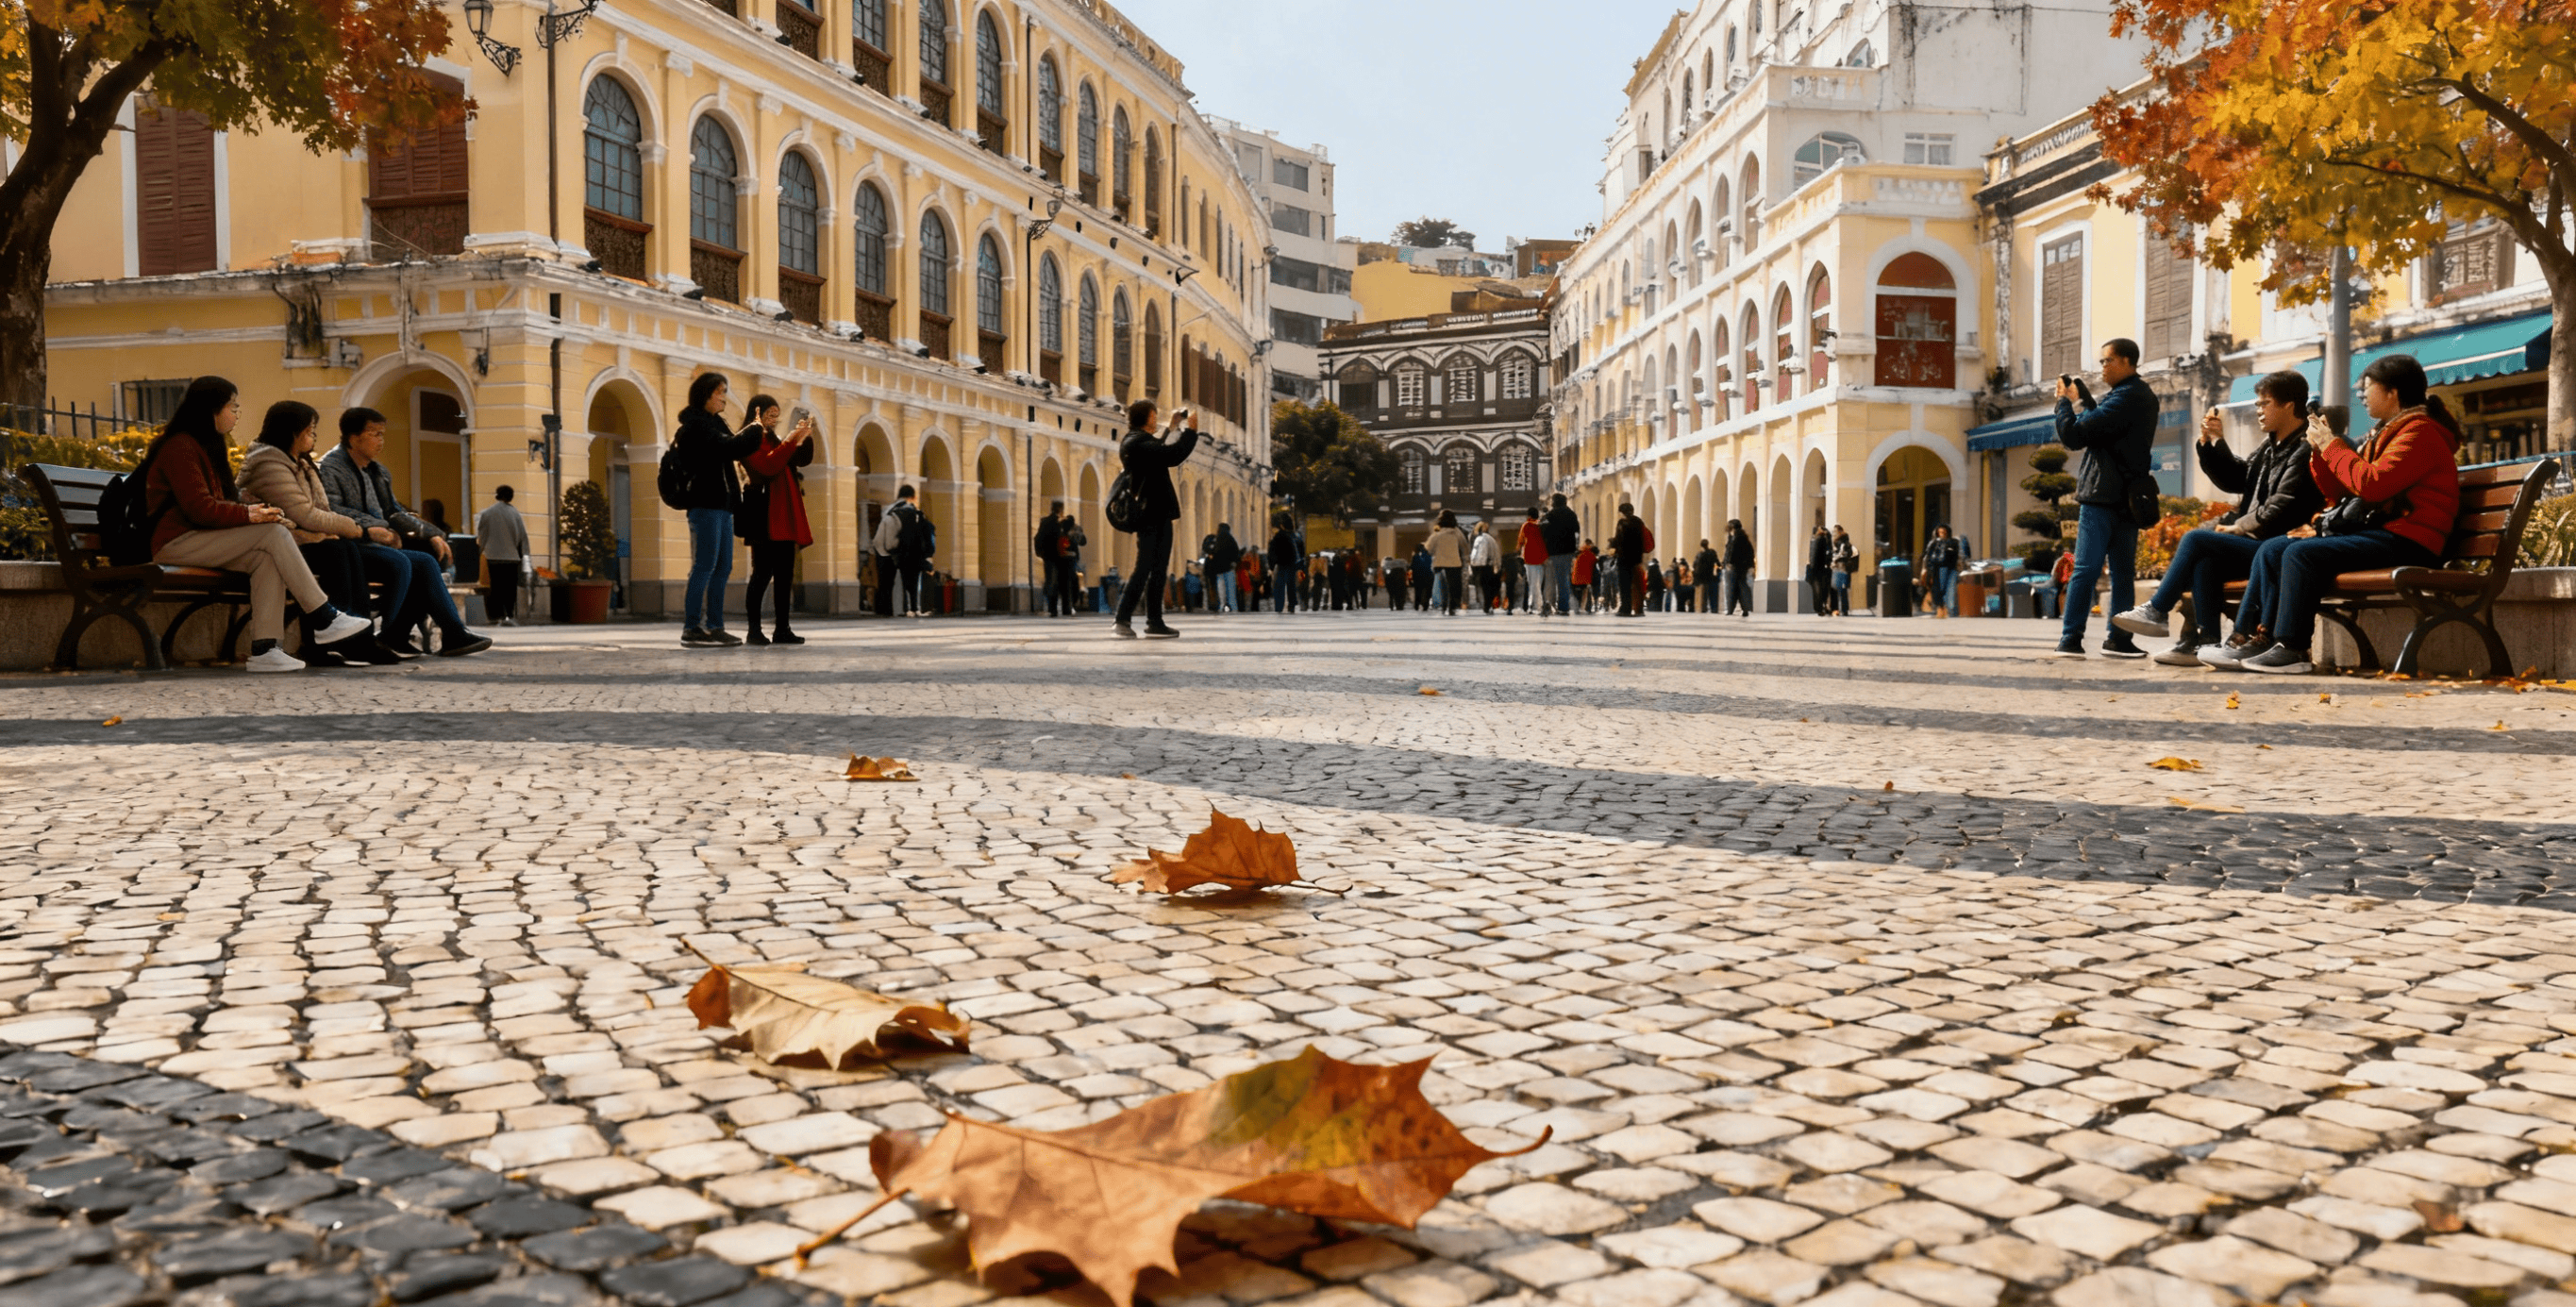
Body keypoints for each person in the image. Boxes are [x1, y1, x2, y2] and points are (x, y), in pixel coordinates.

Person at [2206, 354, 2462, 675]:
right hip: (2385, 533)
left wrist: (2331, 446)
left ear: (2392, 392)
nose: (2362, 396)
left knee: (2301, 554)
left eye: (2367, 389)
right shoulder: (2387, 432)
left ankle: (2293, 647)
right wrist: (2320, 452)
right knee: (2272, 549)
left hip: (2411, 539)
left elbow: (2373, 485)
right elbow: (2342, 494)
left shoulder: (2420, 432)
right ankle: (2248, 639)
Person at [142, 377, 375, 671]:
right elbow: (200, 509)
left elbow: (219, 505)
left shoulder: (206, 446)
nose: (236, 415)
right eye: (232, 407)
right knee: (273, 533)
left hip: (200, 539)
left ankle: (265, 649)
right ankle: (323, 616)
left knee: (264, 559)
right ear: (211, 409)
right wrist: (251, 515)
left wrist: (256, 512)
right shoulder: (180, 447)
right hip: (174, 543)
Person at [2112, 371, 2325, 664]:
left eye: (2265, 404)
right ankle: (2204, 643)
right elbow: (2240, 478)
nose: (2259, 410)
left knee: (2196, 538)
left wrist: (2238, 527)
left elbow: (2283, 506)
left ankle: (2158, 609)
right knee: (2206, 561)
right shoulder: (2271, 446)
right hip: (2258, 542)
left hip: (2277, 545)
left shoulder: (2304, 449)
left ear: (2289, 405)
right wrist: (2214, 444)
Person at [238, 400, 400, 666]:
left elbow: (313, 512)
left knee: (345, 549)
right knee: (337, 551)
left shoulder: (297, 463)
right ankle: (333, 640)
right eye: (310, 429)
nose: (313, 435)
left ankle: (357, 639)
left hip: (297, 539)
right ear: (293, 432)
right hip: (280, 542)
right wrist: (354, 527)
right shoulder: (269, 464)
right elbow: (305, 515)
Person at [320, 407, 492, 658]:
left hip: (377, 545)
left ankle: (407, 635)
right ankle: (405, 635)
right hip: (350, 546)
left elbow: (394, 511)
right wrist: (378, 528)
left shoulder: (378, 471)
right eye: (374, 434)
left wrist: (431, 533)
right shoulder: (331, 467)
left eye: (382, 434)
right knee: (417, 562)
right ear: (353, 438)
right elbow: (334, 510)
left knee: (429, 556)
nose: (381, 440)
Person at [2052, 339, 2159, 658]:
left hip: (2102, 497)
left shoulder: (2127, 397)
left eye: (2106, 361)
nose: (2102, 367)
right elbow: (2103, 425)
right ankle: (2118, 640)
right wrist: (2083, 398)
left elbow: (2074, 435)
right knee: (2122, 574)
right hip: (2127, 499)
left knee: (2086, 568)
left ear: (2127, 362)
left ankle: (2071, 639)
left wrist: (2062, 403)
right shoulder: (2135, 396)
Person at [668, 372, 761, 645]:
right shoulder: (694, 428)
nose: (723, 398)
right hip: (704, 504)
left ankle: (715, 626)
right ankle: (692, 627)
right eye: (719, 392)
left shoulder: (715, 424)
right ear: (705, 395)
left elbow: (736, 448)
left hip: (722, 506)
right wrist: (755, 427)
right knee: (704, 566)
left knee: (722, 567)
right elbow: (730, 447)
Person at [1112, 399, 1200, 638]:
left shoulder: (1139, 442)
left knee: (1159, 568)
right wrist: (1191, 432)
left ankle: (1155, 622)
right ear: (1148, 417)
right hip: (1150, 513)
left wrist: (1171, 428)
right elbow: (1171, 455)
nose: (1157, 416)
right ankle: (1122, 619)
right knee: (1144, 567)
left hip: (1157, 511)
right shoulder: (1136, 443)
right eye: (1154, 414)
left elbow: (1158, 448)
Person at [737, 395, 815, 646]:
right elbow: (767, 466)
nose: (774, 419)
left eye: (776, 415)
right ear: (757, 413)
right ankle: (753, 630)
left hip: (784, 511)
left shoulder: (772, 438)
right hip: (765, 512)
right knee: (762, 574)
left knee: (785, 574)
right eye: (770, 414)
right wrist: (791, 440)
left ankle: (783, 628)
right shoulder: (750, 438)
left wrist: (804, 436)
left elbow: (797, 459)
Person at [878, 485, 936, 617]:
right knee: (915, 581)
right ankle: (915, 608)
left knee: (899, 582)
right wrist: (926, 553)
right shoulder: (914, 512)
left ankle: (902, 608)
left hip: (895, 552)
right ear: (912, 496)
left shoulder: (889, 511)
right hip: (914, 552)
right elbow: (922, 533)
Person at [476, 485, 529, 627]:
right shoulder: (515, 513)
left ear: (497, 495)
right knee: (510, 588)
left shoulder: (487, 513)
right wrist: (524, 555)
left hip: (493, 556)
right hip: (512, 557)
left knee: (496, 586)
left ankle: (497, 615)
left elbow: (482, 535)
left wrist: (480, 551)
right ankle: (509, 614)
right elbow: (521, 536)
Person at [1540, 494, 1579, 617]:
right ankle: (1563, 606)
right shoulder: (1571, 514)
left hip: (1554, 551)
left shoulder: (1551, 515)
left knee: (1552, 579)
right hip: (1568, 551)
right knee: (1564, 579)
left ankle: (1552, 605)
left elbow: (1543, 530)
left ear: (1555, 502)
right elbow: (1577, 531)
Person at [1426, 511, 1467, 616]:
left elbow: (1428, 547)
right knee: (1454, 587)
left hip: (1439, 563)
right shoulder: (1457, 532)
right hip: (1454, 563)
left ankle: (1443, 606)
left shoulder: (1437, 533)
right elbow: (1465, 546)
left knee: (1442, 587)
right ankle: (1452, 607)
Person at [1610, 503, 1647, 616]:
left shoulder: (1622, 523)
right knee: (1636, 583)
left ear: (1622, 512)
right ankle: (1638, 609)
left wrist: (1613, 543)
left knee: (1624, 584)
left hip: (1624, 557)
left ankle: (1625, 608)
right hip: (1636, 558)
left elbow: (1620, 539)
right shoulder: (1639, 522)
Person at [1921, 526, 1965, 618]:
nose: (1942, 534)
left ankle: (1950, 612)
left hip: (1951, 569)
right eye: (1940, 532)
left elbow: (1960, 555)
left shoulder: (1954, 542)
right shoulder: (1933, 543)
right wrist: (1926, 569)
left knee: (1950, 591)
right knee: (1941, 590)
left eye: (1944, 532)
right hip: (1938, 568)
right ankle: (1945, 611)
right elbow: (1927, 557)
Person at [1205, 524, 1243, 615]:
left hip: (1219, 570)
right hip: (1229, 569)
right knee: (1231, 591)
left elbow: (1212, 551)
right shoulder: (1231, 539)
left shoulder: (1217, 539)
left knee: (1221, 591)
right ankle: (1234, 609)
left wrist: (1212, 557)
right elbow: (1236, 553)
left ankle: (1222, 607)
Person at [1723, 519, 1755, 616]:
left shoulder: (1735, 539)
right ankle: (1745, 609)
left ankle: (1730, 609)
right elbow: (1751, 553)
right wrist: (1750, 565)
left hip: (1733, 567)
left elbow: (1730, 553)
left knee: (1731, 589)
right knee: (1742, 587)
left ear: (1732, 527)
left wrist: (1727, 563)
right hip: (1742, 568)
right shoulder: (1744, 538)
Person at [1469, 522, 1500, 613]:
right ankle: (1487, 605)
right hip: (1489, 565)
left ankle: (1485, 606)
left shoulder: (1479, 539)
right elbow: (1496, 553)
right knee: (1488, 587)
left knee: (1482, 586)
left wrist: (1472, 564)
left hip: (1480, 566)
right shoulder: (1491, 539)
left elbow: (1476, 553)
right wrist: (1497, 565)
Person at [1805, 526, 1834, 615]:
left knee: (1817, 590)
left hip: (1814, 568)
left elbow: (1812, 555)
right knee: (1823, 589)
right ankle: (1822, 607)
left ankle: (1819, 608)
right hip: (1821, 568)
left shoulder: (1813, 540)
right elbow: (1827, 551)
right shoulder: (1822, 539)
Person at [1831, 528, 1858, 616]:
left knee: (1841, 590)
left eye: (1835, 532)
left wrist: (1834, 559)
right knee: (1841, 590)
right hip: (1841, 569)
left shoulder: (1843, 544)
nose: (1834, 534)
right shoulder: (1841, 543)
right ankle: (1841, 609)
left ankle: (1842, 609)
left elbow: (1842, 555)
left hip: (1842, 569)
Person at [1572, 539, 1597, 612]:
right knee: (1586, 592)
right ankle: (1585, 607)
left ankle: (1577, 607)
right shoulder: (1591, 555)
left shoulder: (1579, 554)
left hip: (1575, 580)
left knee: (1577, 593)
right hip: (1585, 580)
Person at [1411, 543, 1434, 611]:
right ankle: (1425, 605)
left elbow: (1412, 566)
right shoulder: (1429, 555)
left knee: (1418, 591)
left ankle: (1417, 605)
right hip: (1428, 575)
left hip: (1418, 576)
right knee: (1427, 591)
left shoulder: (1415, 556)